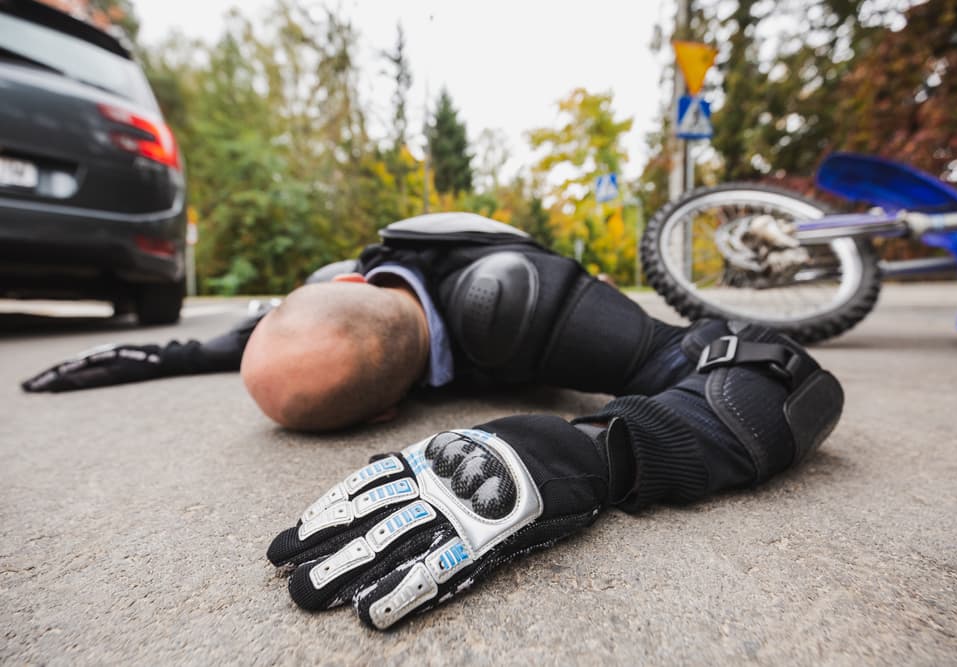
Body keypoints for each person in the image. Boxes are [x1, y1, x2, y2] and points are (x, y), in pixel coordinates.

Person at [21, 212, 844, 630]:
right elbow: (272, 337)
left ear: (389, 410)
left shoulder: (521, 304)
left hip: (520, 298)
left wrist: (582, 451)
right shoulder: (350, 289)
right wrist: (160, 354)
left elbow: (779, 376)